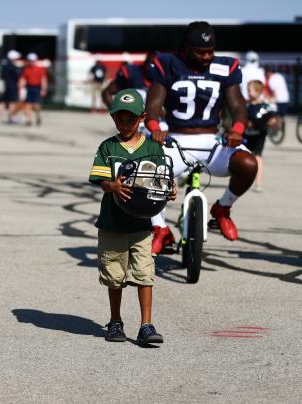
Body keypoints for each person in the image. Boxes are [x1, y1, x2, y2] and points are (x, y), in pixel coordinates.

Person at [145, 21, 256, 254]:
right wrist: (155, 126)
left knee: (248, 164)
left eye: (210, 51)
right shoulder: (169, 64)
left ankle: (222, 208)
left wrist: (237, 129)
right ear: (186, 48)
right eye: (200, 51)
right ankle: (160, 229)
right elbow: (153, 105)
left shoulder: (225, 66)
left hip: (212, 141)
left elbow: (238, 107)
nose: (207, 56)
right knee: (147, 170)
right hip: (176, 139)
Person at [89, 88, 176, 345]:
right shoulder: (108, 147)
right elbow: (100, 180)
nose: (125, 123)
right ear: (113, 118)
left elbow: (162, 179)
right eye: (120, 118)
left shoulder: (153, 148)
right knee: (114, 275)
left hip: (141, 224)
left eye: (131, 118)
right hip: (112, 223)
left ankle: (146, 325)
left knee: (145, 273)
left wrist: (169, 189)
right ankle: (115, 321)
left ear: (142, 117)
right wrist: (112, 186)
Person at [245, 80, 278, 192]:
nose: (249, 93)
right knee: (245, 158)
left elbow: (272, 119)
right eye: (248, 90)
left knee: (258, 157)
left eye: (251, 90)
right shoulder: (246, 105)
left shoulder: (265, 106)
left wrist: (271, 122)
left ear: (258, 92)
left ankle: (258, 183)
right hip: (246, 135)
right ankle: (244, 181)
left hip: (259, 136)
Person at [19, 52, 48, 126]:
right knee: (27, 105)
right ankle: (29, 120)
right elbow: (23, 79)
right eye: (30, 60)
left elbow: (43, 80)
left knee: (35, 105)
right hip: (29, 88)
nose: (31, 62)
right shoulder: (26, 69)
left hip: (37, 88)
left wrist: (43, 89)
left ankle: (38, 115)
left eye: (32, 60)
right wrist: (20, 87)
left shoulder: (40, 69)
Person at [0, 49, 22, 123]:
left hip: (6, 86)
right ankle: (11, 117)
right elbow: (18, 77)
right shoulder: (14, 67)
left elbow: (2, 76)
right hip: (13, 87)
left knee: (3, 102)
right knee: (12, 102)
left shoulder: (4, 66)